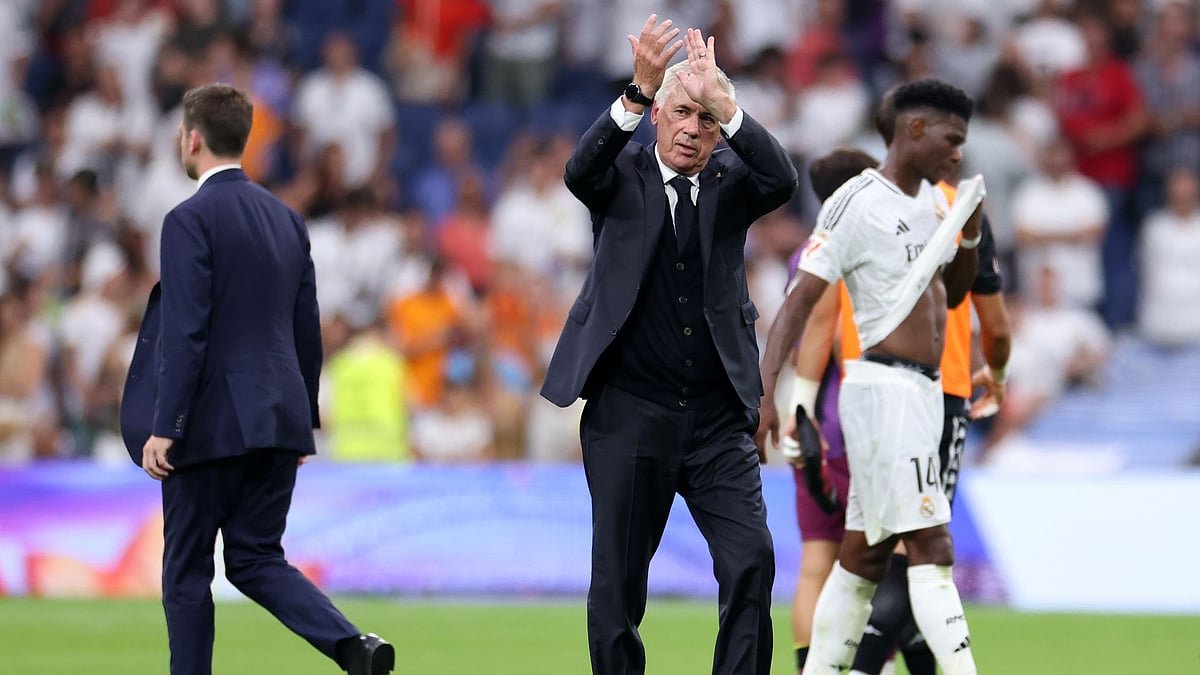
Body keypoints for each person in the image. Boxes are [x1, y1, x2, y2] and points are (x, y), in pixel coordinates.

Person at [539, 15, 798, 675]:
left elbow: (782, 180)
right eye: (681, 112)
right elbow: (579, 170)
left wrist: (731, 107)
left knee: (753, 560)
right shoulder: (619, 175)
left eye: (705, 120)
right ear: (657, 116)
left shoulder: (732, 183)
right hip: (630, 410)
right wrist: (633, 92)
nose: (692, 128)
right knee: (619, 583)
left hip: (716, 417)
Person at [118, 84, 393, 675]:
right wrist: (302, 424)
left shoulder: (188, 219)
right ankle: (353, 647)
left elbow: (186, 331)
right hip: (278, 421)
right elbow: (307, 331)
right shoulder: (288, 220)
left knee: (188, 570)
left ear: (192, 139)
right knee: (256, 557)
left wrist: (168, 426)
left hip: (211, 423)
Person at [757, 78, 982, 675]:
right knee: (932, 548)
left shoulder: (934, 203)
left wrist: (972, 232)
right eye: (951, 138)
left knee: (861, 557)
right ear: (914, 130)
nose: (958, 152)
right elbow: (802, 304)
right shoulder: (858, 201)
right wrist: (768, 394)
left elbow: (954, 295)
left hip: (921, 392)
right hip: (883, 390)